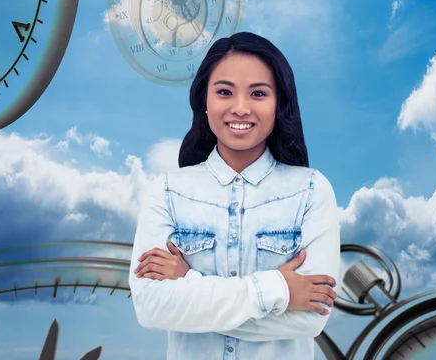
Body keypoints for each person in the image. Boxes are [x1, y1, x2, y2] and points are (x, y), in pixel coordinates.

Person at [129, 31, 341, 359]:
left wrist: (189, 284)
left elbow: (310, 319)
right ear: (204, 100)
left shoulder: (311, 191)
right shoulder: (169, 191)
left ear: (279, 102)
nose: (240, 108)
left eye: (258, 93)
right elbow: (150, 308)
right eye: (225, 92)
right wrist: (279, 290)